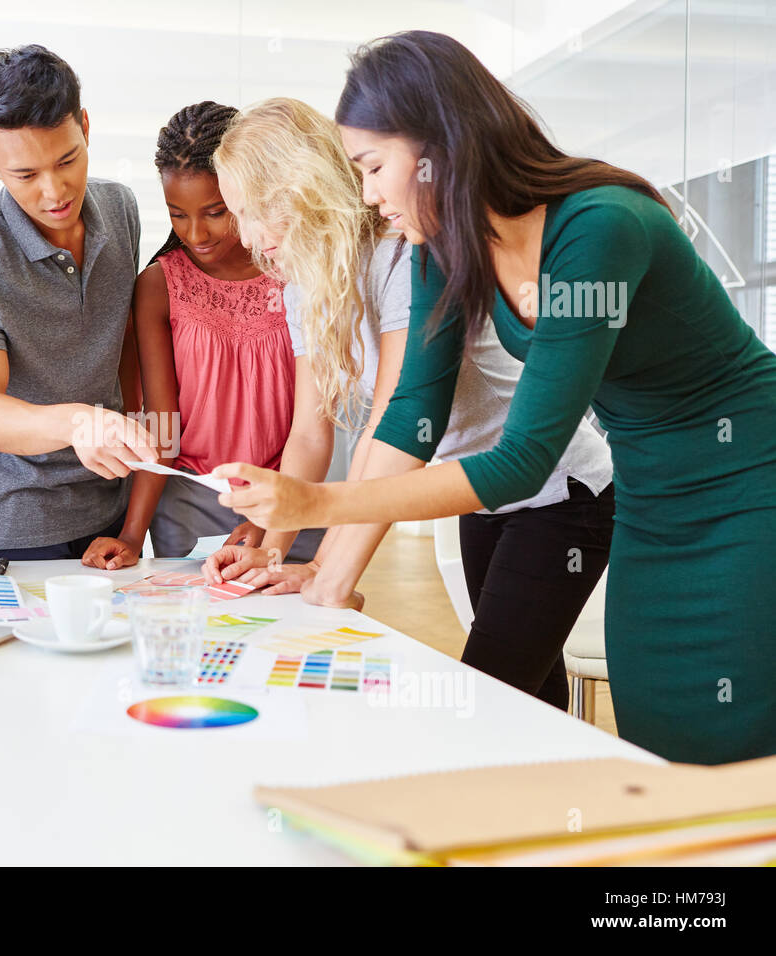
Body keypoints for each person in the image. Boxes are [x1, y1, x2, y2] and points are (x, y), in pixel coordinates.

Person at [214, 32, 776, 764]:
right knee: (657, 730)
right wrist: (324, 569)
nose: (367, 195)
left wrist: (316, 506)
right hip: (650, 499)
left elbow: (521, 460)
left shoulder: (599, 228)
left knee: (728, 737)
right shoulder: (439, 246)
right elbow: (413, 415)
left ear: (438, 150)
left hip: (745, 485)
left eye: (374, 167)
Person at [203, 98, 615, 710]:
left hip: (559, 494)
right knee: (530, 697)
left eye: (256, 212)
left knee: (488, 694)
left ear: (302, 190)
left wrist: (332, 576)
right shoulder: (304, 285)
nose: (247, 237)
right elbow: (310, 436)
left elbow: (396, 421)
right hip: (476, 493)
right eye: (239, 215)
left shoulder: (403, 254)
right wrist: (268, 550)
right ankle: (557, 800)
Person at [0, 45, 158, 564]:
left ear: (84, 125)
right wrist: (81, 423)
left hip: (110, 511)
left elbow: (122, 347)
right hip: (14, 524)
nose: (55, 192)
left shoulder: (121, 209)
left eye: (68, 160)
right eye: (26, 175)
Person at [124, 101, 324, 563]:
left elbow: (313, 426)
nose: (196, 234)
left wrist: (265, 517)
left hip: (293, 492)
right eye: (178, 214)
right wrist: (133, 534)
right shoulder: (158, 286)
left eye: (215, 211)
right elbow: (162, 423)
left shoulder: (297, 272)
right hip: (191, 502)